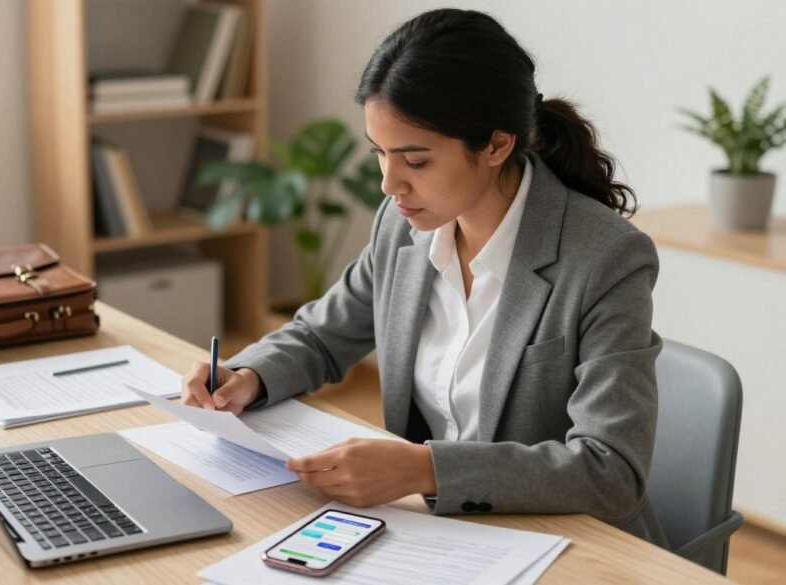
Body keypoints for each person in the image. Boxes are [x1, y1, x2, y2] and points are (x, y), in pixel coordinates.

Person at [180, 8, 667, 546]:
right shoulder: (403, 225)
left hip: (565, 543)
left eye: (415, 161)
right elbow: (323, 335)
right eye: (379, 155)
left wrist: (423, 469)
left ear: (496, 145)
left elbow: (611, 469)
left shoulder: (605, 258)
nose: (390, 184)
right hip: (435, 534)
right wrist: (249, 376)